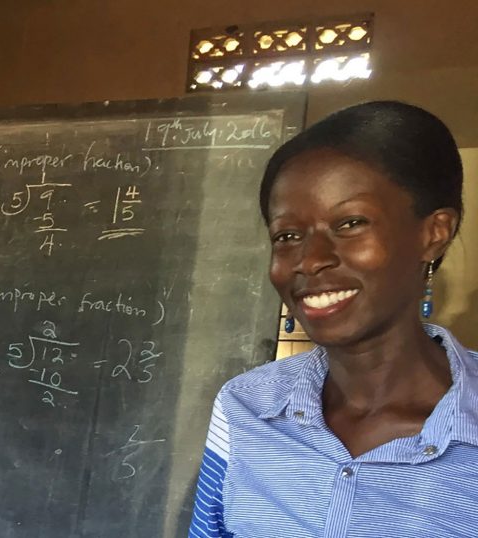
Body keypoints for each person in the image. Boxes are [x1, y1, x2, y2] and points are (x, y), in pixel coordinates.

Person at [188, 101, 478, 538]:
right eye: (287, 236)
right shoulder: (247, 406)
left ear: (433, 233)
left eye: (350, 223)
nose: (310, 260)